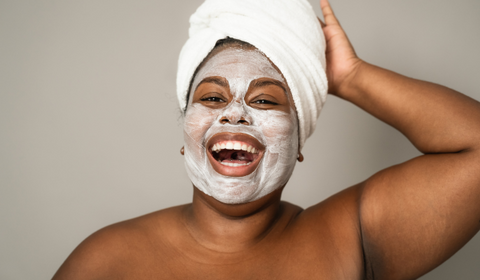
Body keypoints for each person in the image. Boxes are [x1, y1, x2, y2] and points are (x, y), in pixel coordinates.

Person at [53, 0, 480, 279]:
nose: (235, 112)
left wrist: (352, 78)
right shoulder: (107, 260)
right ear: (186, 132)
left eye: (265, 100)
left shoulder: (349, 237)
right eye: (213, 96)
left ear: (297, 142)